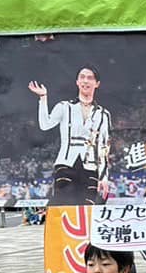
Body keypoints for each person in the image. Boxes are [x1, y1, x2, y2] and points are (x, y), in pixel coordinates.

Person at [28, 66, 111, 206]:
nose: (85, 81)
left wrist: (104, 177)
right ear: (77, 82)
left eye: (90, 78)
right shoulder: (64, 107)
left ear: (97, 83)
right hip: (66, 163)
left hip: (91, 167)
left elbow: (103, 148)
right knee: (63, 204)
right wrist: (43, 97)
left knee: (87, 207)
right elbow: (45, 124)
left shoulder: (103, 114)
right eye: (82, 77)